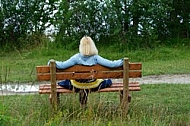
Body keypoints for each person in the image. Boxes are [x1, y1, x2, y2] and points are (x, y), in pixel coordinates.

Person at [48, 36, 123, 105]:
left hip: (77, 85)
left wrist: (51, 62)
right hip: (93, 85)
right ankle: (83, 104)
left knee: (63, 83)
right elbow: (112, 64)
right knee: (108, 82)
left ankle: (82, 105)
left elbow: (62, 65)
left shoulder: (76, 58)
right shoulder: (95, 58)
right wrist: (123, 61)